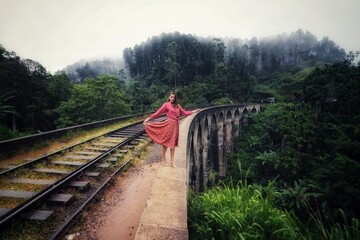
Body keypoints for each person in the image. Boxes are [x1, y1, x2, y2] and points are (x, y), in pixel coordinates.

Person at [143, 92, 200, 167]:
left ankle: (172, 162)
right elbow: (158, 113)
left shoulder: (178, 106)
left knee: (172, 145)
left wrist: (194, 111)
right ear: (169, 97)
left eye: (174, 97)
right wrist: (148, 118)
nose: (172, 98)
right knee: (166, 144)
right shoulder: (166, 105)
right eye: (171, 97)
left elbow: (185, 113)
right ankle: (163, 159)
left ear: (175, 98)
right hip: (169, 125)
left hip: (175, 126)